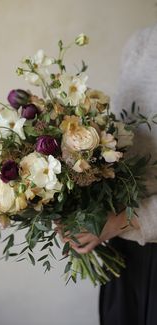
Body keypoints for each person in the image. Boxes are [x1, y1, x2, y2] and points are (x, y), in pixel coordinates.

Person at [61, 24, 157, 325]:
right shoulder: (141, 42)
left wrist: (118, 221)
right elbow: (122, 142)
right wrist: (78, 203)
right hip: (124, 251)